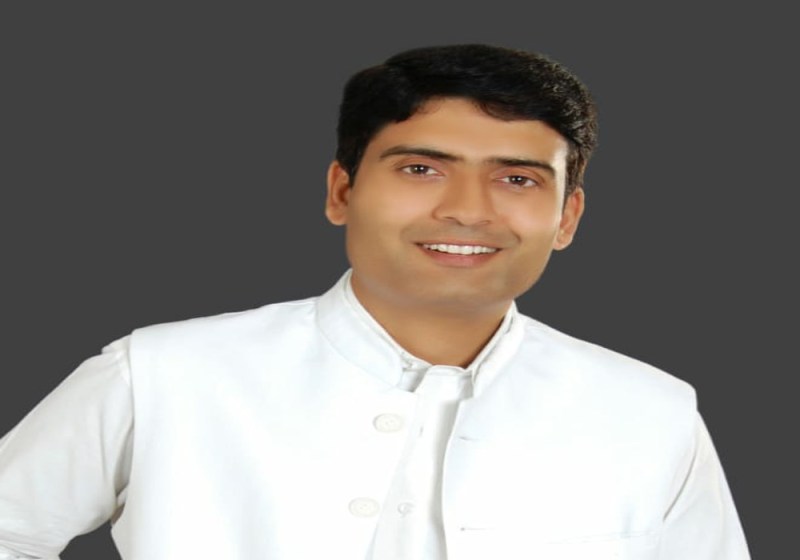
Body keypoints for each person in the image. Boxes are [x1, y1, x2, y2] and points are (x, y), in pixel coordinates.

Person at [0, 44, 749, 560]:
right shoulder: (165, 373)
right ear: (342, 191)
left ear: (567, 218)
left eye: (517, 179)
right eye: (422, 169)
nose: (468, 210)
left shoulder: (651, 413)